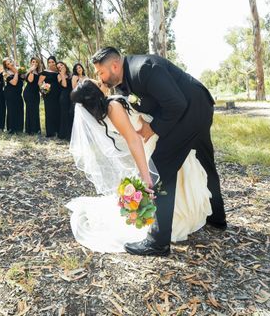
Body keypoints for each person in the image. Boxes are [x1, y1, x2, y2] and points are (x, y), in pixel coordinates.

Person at [88, 47, 227, 256]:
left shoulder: (143, 69)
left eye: (101, 73)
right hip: (198, 108)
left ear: (115, 66)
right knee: (205, 163)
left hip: (190, 111)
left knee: (159, 170)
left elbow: (176, 103)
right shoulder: (126, 81)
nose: (100, 78)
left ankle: (157, 242)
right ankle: (217, 218)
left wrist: (152, 128)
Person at [67, 79, 213, 253]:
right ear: (96, 94)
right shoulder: (113, 107)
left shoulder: (109, 108)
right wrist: (146, 176)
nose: (101, 81)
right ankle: (168, 224)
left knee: (179, 178)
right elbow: (133, 140)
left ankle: (172, 221)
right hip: (154, 142)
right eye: (98, 84)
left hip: (156, 137)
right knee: (171, 180)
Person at [39, 55, 61, 137]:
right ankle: (50, 132)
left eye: (52, 62)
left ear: (55, 62)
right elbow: (40, 82)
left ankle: (58, 130)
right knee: (49, 112)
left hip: (58, 94)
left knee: (57, 111)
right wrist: (43, 90)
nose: (51, 63)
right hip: (48, 94)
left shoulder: (58, 72)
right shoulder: (45, 72)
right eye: (49, 62)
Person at [4, 57, 24, 133]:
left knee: (19, 108)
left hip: (18, 93)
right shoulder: (5, 73)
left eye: (11, 62)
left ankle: (19, 129)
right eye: (8, 64)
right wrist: (16, 73)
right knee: (11, 110)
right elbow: (14, 83)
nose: (10, 64)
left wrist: (19, 71)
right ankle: (11, 129)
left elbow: (24, 78)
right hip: (10, 93)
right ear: (6, 66)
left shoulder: (19, 69)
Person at [23, 56, 43, 134]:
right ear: (31, 63)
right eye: (33, 62)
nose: (34, 63)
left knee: (35, 110)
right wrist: (31, 71)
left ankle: (36, 129)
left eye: (36, 62)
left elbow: (39, 83)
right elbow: (30, 80)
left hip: (36, 93)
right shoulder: (29, 72)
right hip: (28, 93)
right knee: (30, 110)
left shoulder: (39, 73)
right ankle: (30, 130)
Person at [57, 61, 72, 141]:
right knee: (65, 115)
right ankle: (65, 135)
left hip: (72, 97)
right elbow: (65, 85)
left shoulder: (70, 74)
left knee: (71, 114)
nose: (60, 67)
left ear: (65, 65)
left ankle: (72, 133)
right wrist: (62, 74)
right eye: (58, 67)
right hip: (64, 97)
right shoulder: (59, 76)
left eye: (61, 65)